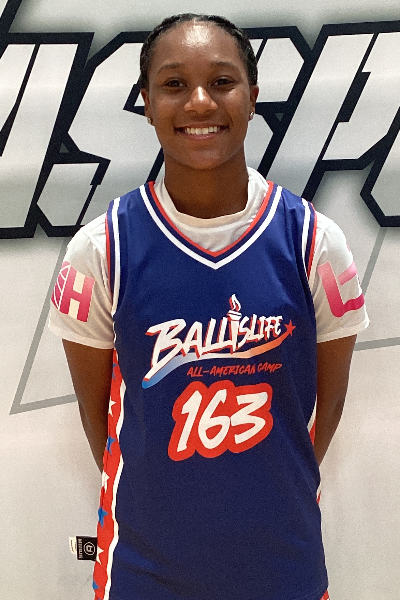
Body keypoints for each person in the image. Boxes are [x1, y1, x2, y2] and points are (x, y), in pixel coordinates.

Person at [49, 13, 369, 600]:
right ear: (147, 103)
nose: (200, 102)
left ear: (252, 97)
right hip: (144, 568)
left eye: (222, 82)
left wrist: (267, 488)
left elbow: (317, 413)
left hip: (283, 562)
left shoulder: (315, 243)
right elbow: (104, 425)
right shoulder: (101, 249)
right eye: (174, 84)